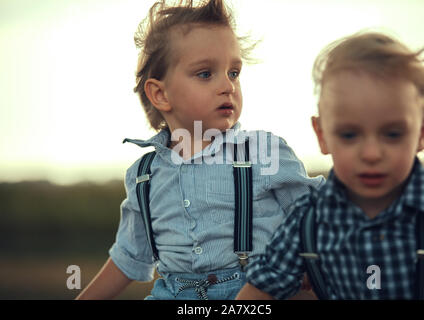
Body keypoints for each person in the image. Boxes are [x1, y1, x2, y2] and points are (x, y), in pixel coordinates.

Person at [76, 0, 324, 300]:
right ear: (160, 94)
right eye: (206, 74)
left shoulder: (263, 152)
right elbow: (129, 255)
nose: (228, 86)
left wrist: (311, 258)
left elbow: (314, 212)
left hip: (251, 292)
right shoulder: (144, 176)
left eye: (233, 73)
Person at [236, 31, 424, 300]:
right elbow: (259, 292)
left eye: (393, 134)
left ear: (421, 132)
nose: (371, 153)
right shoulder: (308, 220)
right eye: (349, 135)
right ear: (322, 135)